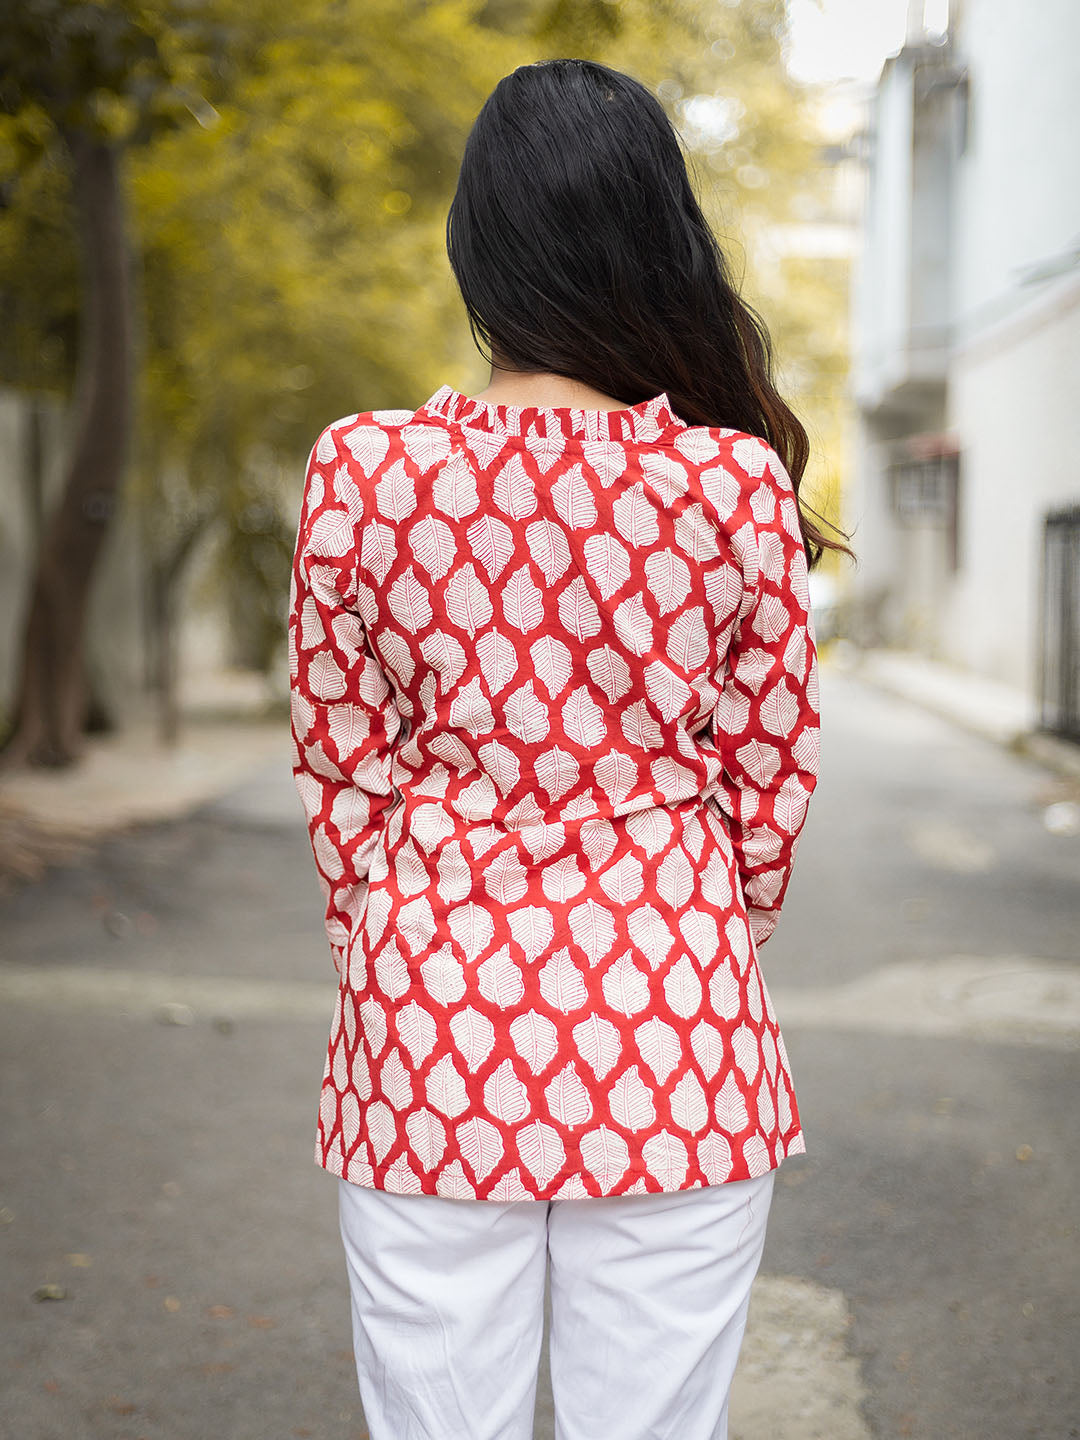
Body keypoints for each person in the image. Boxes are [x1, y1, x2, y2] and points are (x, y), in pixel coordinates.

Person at [287, 56, 852, 1440]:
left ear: (479, 247)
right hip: (678, 1031)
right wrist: (686, 934)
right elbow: (768, 790)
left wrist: (402, 926)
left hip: (427, 1037)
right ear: (662, 241)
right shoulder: (733, 489)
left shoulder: (364, 474)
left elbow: (341, 764)